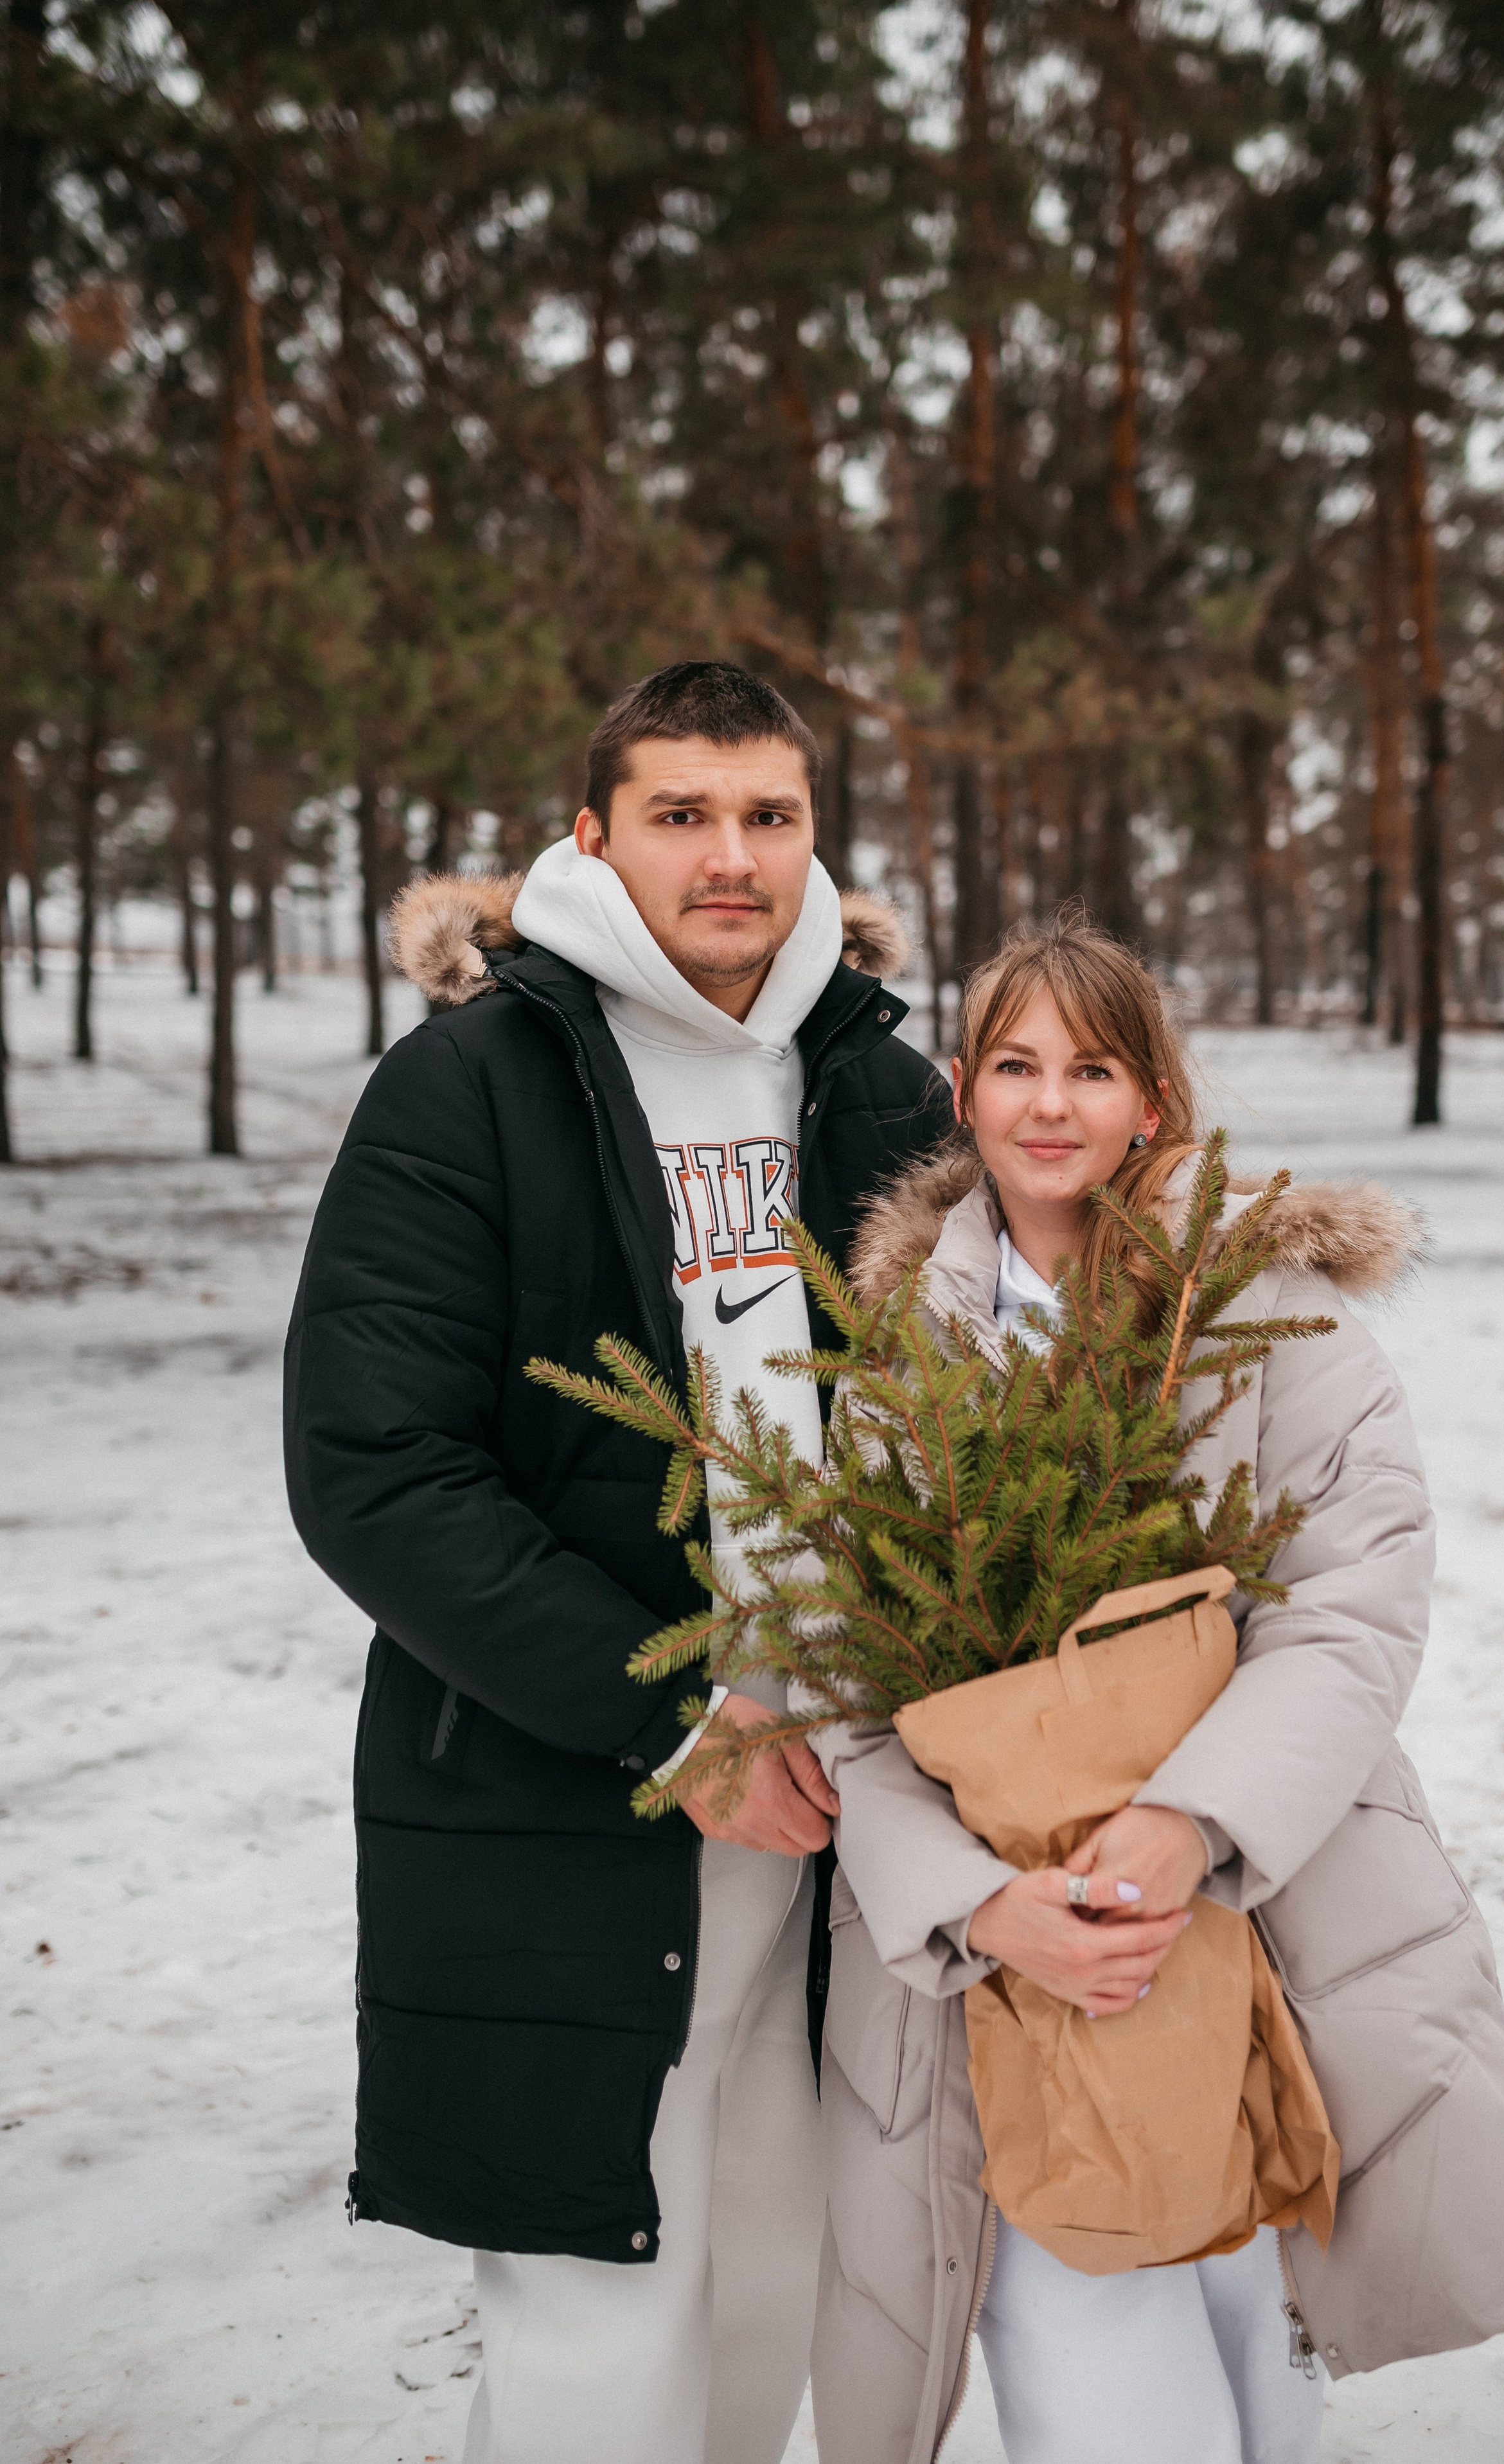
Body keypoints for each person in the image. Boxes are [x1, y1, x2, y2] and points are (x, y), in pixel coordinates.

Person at [806, 913, 1504, 2464]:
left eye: (1091, 1070)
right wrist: (978, 1906)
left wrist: (1188, 1824)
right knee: (1089, 2356)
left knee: (1255, 2344)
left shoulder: (1256, 1308)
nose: (1050, 1104)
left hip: (1254, 1919)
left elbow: (1352, 1602)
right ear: (960, 1093)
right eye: (1014, 1067)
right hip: (1021, 1969)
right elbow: (856, 1682)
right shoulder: (902, 1347)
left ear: (1151, 1103)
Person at [282, 662, 951, 2464]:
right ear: (592, 836)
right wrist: (674, 1720)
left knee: (774, 2272)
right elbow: (373, 1466)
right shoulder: (472, 1086)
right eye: (681, 814)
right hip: (583, 1781)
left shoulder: (876, 1080)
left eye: (767, 815)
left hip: (853, 1786)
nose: (730, 856)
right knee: (600, 2301)